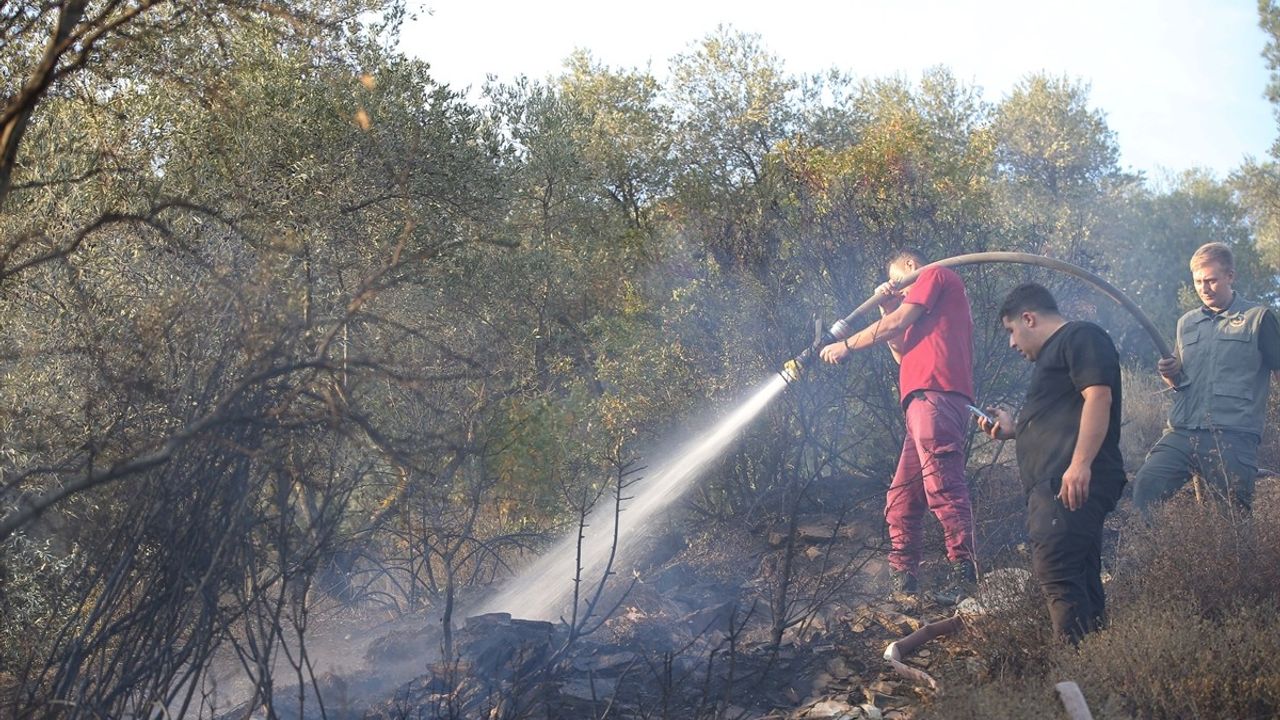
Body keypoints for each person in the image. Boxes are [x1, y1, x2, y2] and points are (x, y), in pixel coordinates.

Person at [820, 249, 977, 601]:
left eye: (901, 284)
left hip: (936, 395)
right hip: (922, 402)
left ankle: (965, 574)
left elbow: (897, 323)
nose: (902, 292)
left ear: (909, 267)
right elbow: (900, 350)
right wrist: (886, 307)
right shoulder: (922, 307)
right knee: (902, 498)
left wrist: (847, 344)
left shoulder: (934, 276)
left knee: (942, 484)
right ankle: (903, 584)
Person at [978, 283, 1125, 643]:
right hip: (1059, 482)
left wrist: (1079, 464)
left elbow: (1098, 397)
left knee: (1057, 572)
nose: (1012, 343)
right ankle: (1097, 668)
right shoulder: (1054, 357)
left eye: (1011, 331)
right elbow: (1062, 418)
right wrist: (1014, 430)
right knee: (1080, 575)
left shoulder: (1081, 336)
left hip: (1067, 482)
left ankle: (1072, 674)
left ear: (1028, 318)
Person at [1132, 242, 1280, 515]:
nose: (1204, 288)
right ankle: (1149, 557)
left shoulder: (1258, 318)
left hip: (1233, 436)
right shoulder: (1186, 323)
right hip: (1182, 431)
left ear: (1230, 276)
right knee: (1146, 485)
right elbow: (1179, 382)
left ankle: (1237, 560)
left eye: (1211, 280)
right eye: (1198, 281)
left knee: (1232, 521)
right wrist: (1170, 374)